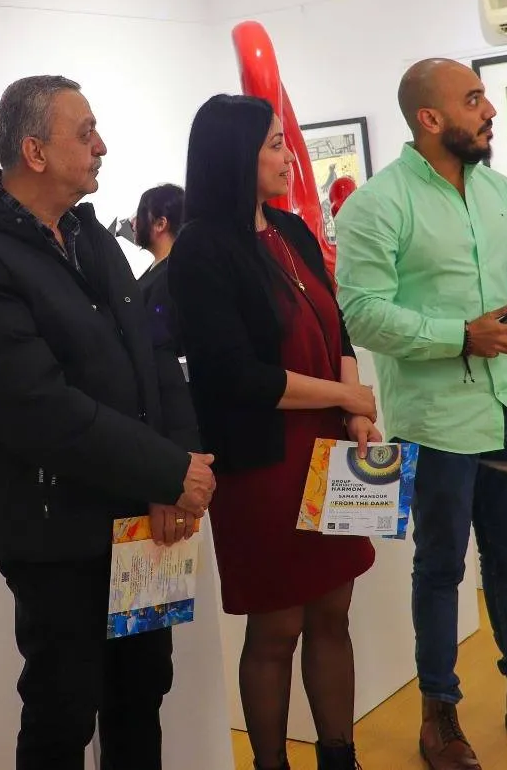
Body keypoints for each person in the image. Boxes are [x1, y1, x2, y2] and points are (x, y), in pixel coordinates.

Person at [0, 75, 213, 770]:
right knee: (63, 708)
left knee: (141, 691)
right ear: (35, 152)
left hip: (138, 517)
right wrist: (167, 469)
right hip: (54, 531)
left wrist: (173, 473)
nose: (101, 146)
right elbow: (37, 410)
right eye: (85, 134)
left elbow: (153, 356)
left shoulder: (88, 237)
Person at [334, 59, 507, 770]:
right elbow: (361, 314)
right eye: (473, 99)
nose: (488, 112)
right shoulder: (377, 204)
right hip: (435, 423)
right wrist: (460, 336)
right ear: (431, 119)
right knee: (439, 568)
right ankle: (439, 713)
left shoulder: (495, 191)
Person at [168, 95, 378, 770]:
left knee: (334, 612)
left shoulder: (290, 230)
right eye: (273, 144)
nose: (289, 155)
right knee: (277, 625)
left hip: (332, 448)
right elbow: (237, 376)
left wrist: (356, 410)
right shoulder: (202, 248)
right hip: (263, 462)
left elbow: (337, 330)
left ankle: (339, 755)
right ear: (235, 156)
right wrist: (346, 395)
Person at [133, 183, 183, 351]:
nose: (133, 221)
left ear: (161, 224)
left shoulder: (171, 275)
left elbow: (156, 339)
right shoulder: (160, 269)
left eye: (140, 214)